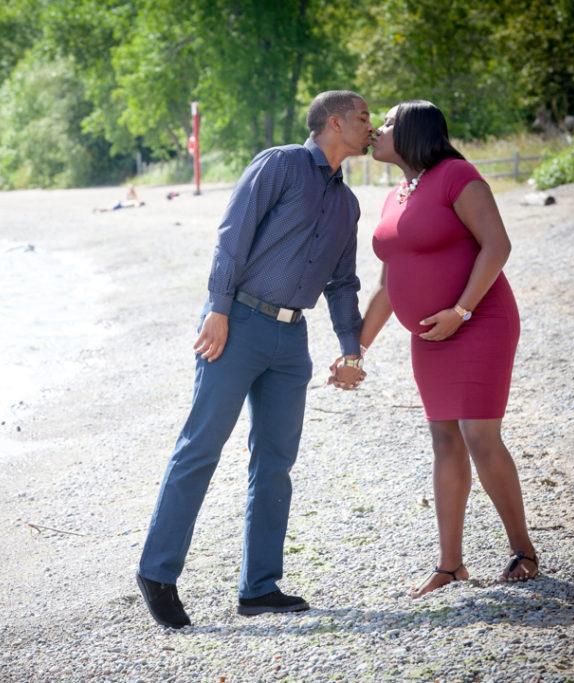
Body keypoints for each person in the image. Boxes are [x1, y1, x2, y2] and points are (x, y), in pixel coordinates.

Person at [137, 90, 375, 628]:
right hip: (236, 323)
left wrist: (350, 347)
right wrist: (217, 309)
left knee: (275, 464)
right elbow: (232, 235)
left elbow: (342, 281)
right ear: (333, 122)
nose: (371, 126)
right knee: (200, 448)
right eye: (363, 118)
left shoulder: (347, 203)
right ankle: (157, 570)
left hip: (293, 343)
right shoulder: (282, 164)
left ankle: (260, 588)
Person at [339, 99, 537, 598]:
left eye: (386, 123)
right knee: (444, 440)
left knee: (479, 435)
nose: (377, 131)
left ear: (414, 132)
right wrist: (354, 350)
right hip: (428, 338)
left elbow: (497, 245)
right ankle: (451, 566)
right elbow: (387, 290)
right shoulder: (395, 197)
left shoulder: (457, 175)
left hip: (479, 322)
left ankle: (523, 551)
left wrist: (462, 311)